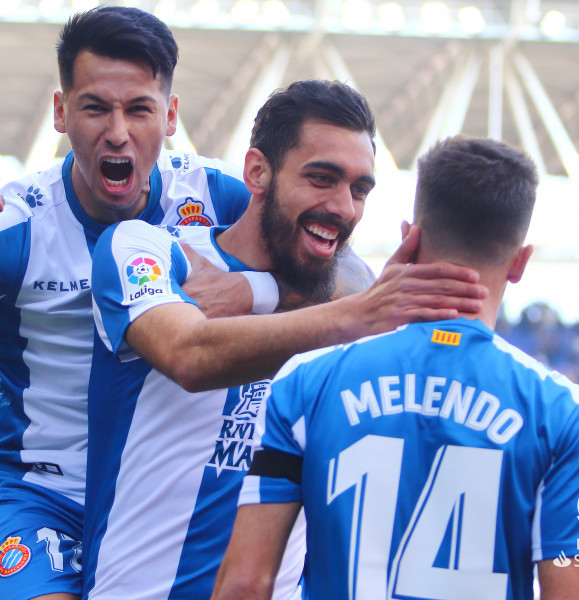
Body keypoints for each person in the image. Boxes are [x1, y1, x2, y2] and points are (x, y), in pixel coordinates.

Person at [0, 7, 264, 600]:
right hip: (43, 494)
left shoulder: (216, 198)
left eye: (138, 108)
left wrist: (250, 289)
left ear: (169, 117)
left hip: (160, 495)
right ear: (61, 112)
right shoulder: (12, 226)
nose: (117, 131)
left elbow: (345, 279)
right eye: (95, 108)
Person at [84, 82, 490, 600]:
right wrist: (355, 314)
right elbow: (189, 354)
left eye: (360, 189)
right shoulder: (145, 248)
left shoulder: (345, 297)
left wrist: (259, 290)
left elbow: (357, 289)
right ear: (257, 172)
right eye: (321, 178)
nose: (343, 207)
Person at [211, 136, 579, 600]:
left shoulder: (304, 382)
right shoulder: (567, 414)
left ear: (409, 239)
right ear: (520, 262)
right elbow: (572, 592)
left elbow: (243, 584)